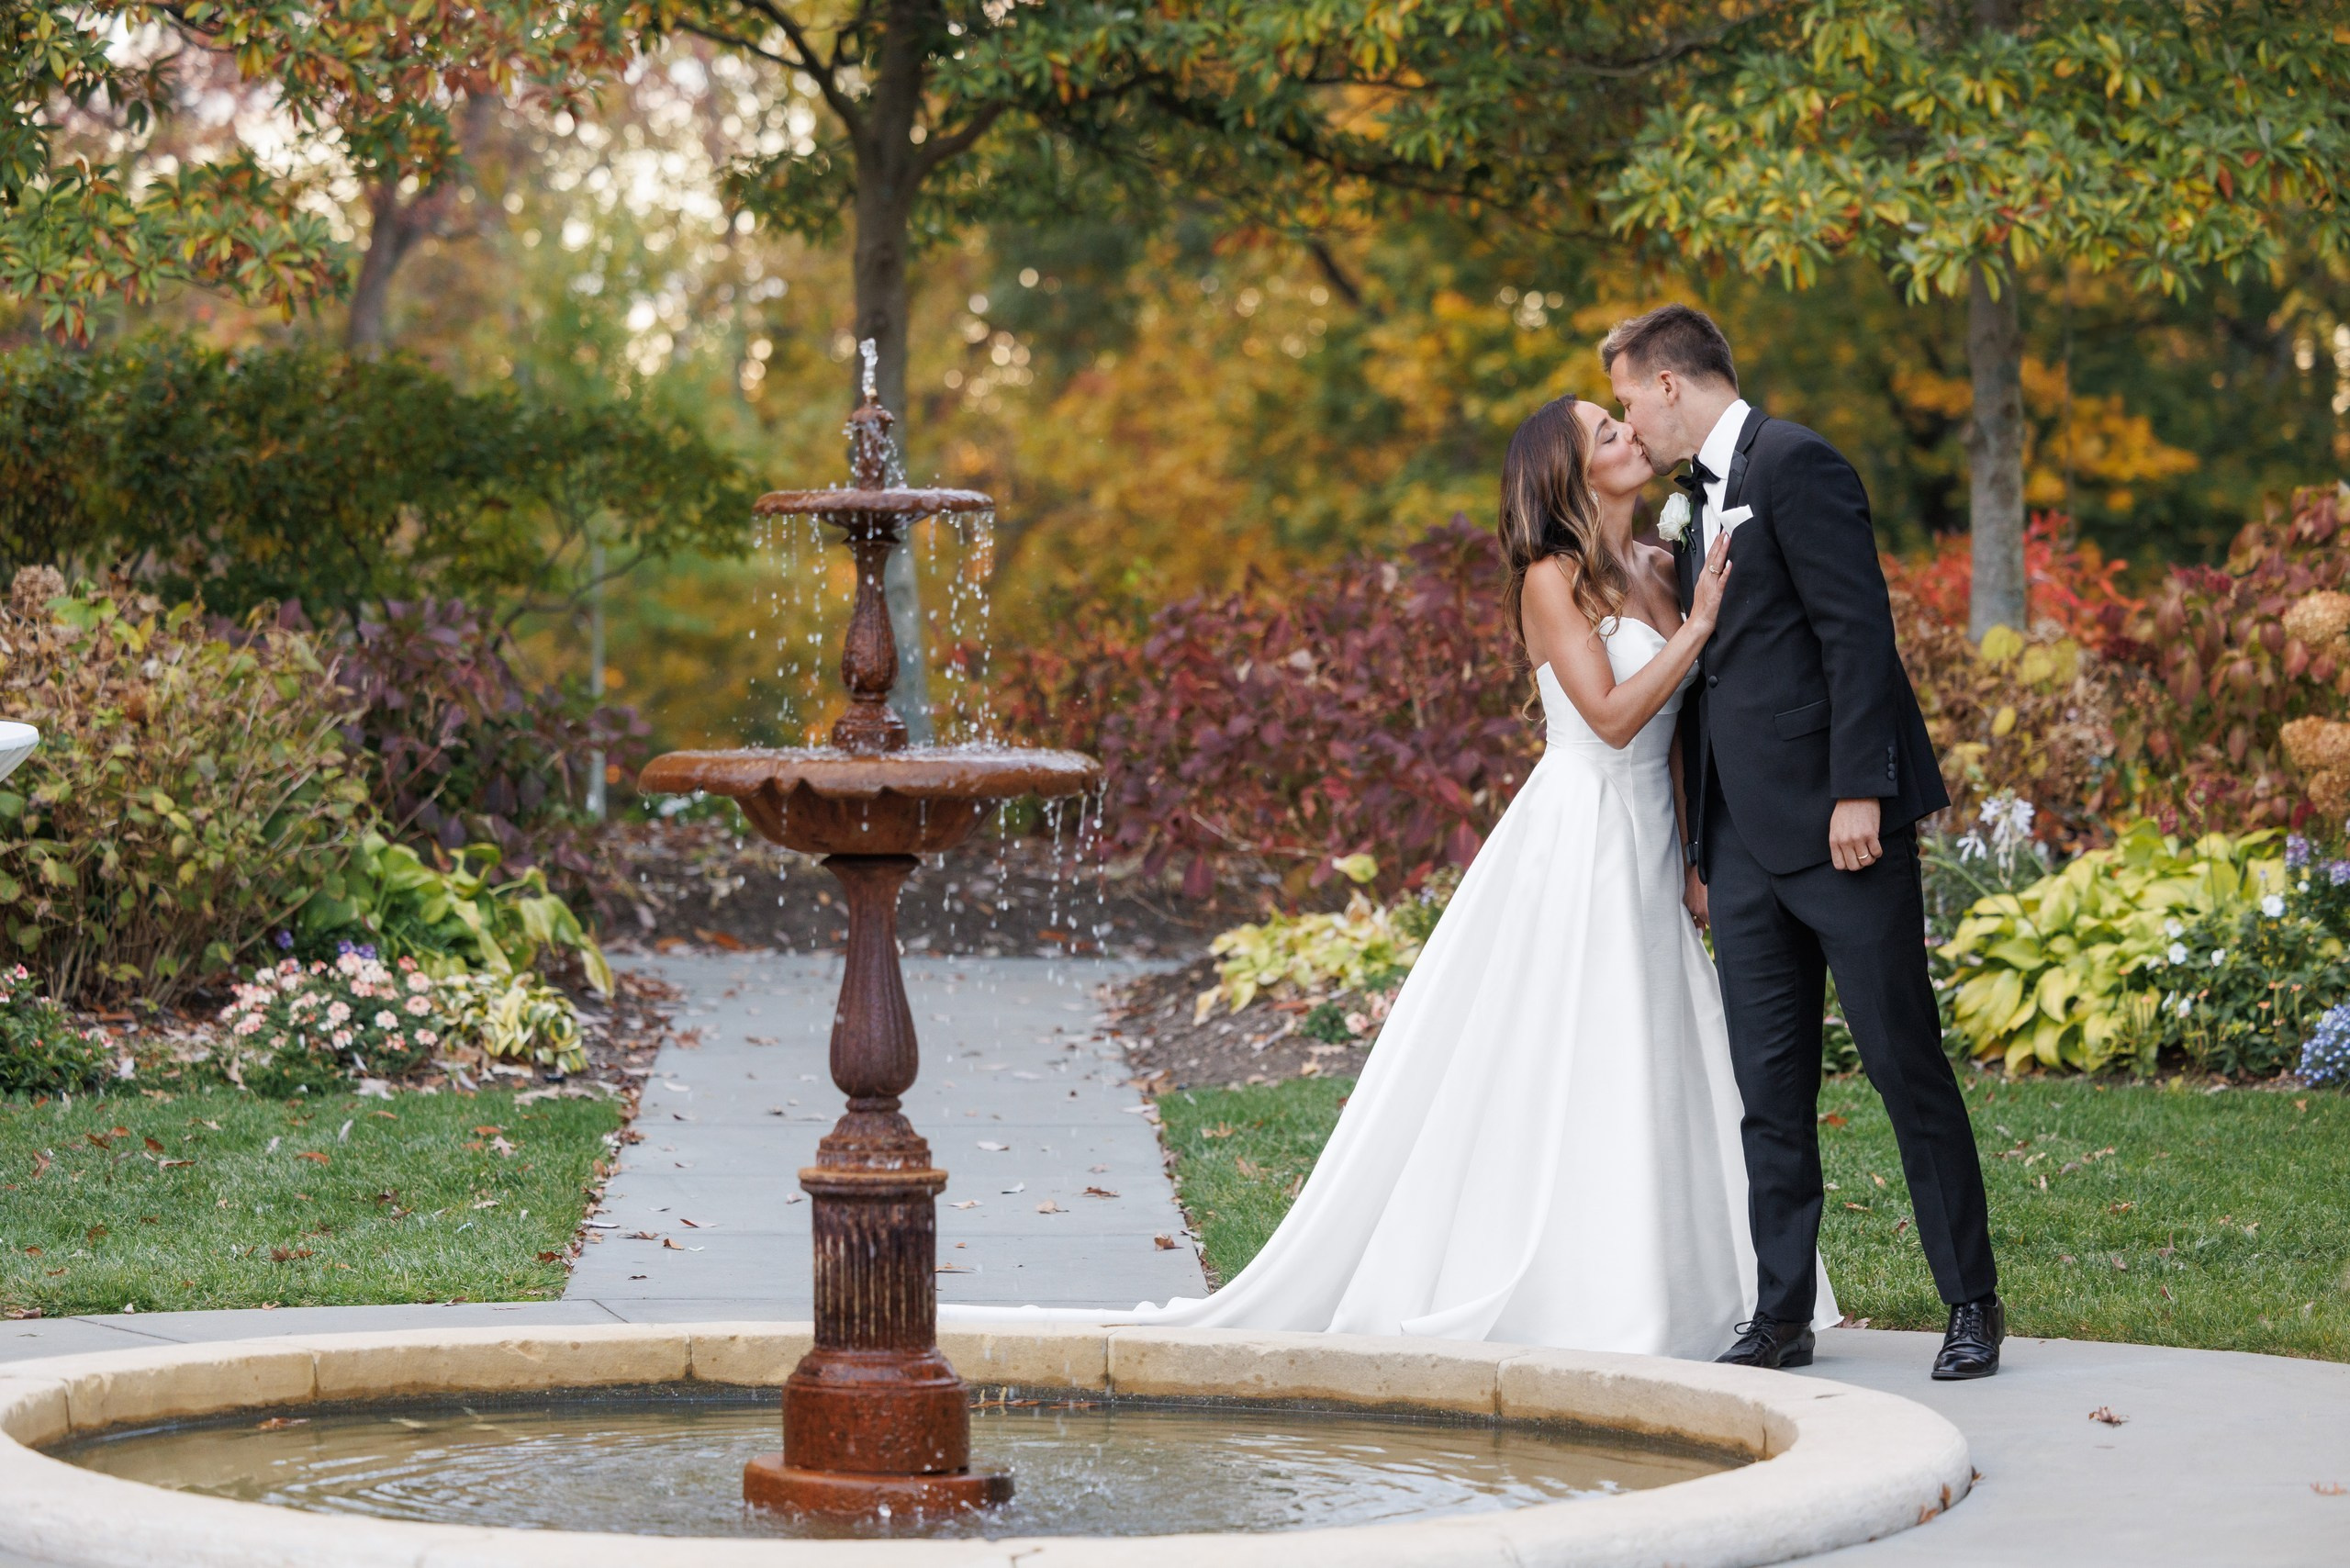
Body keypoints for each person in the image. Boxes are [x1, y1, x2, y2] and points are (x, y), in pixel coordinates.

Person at [946, 394, 1834, 1357]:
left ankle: (1703, 1286)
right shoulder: (1551, 580)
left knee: (1659, 1043)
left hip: (1649, 837)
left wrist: (1695, 851)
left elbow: (1672, 732)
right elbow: (1614, 715)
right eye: (1604, 432)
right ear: (1569, 475)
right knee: (1577, 1045)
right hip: (1578, 837)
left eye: (1620, 423)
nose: (1628, 435)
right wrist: (1701, 626)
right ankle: (1584, 1289)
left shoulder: (1657, 565)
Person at [1603, 303, 2003, 1380]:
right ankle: (1781, 1314)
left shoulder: (1798, 462)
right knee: (1765, 1090)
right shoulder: (1689, 504)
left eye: (1632, 396)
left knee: (1902, 1063)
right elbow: (1708, 681)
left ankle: (1971, 1301)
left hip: (1841, 835)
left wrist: (1859, 793)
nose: (1629, 421)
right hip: (1737, 844)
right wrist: (1698, 843)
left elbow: (1855, 631)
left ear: (1673, 385)